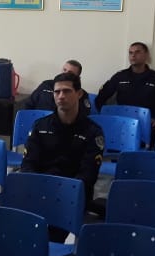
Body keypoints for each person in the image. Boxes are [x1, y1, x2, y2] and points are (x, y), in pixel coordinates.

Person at [19, 72, 103, 226]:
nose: (61, 96)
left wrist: (60, 193)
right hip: (40, 192)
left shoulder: (93, 132)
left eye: (67, 91)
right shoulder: (40, 126)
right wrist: (40, 189)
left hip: (72, 196)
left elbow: (88, 175)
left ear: (79, 94)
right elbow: (28, 164)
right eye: (57, 92)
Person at [95, 41, 155, 130]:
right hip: (122, 123)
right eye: (130, 53)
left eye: (137, 52)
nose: (133, 55)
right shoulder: (120, 76)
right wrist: (107, 116)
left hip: (147, 124)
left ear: (146, 55)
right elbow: (100, 98)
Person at [25, 59, 92, 116]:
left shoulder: (80, 93)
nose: (65, 73)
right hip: (38, 123)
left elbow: (83, 115)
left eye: (70, 73)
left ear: (78, 77)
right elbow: (28, 105)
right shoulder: (46, 85)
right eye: (64, 70)